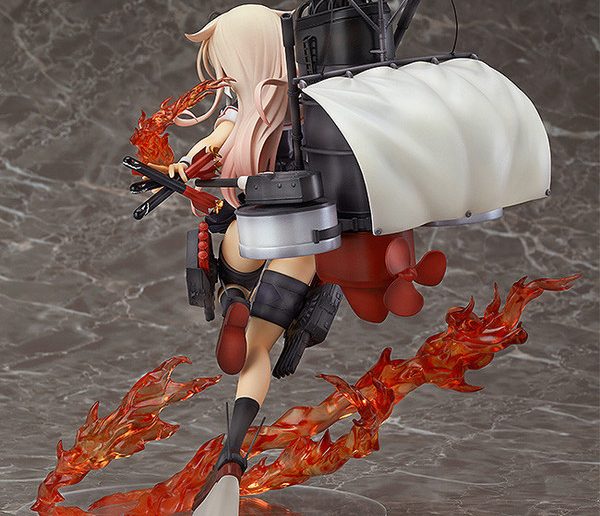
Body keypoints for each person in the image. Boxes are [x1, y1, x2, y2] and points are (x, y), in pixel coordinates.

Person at [162, 5, 314, 513]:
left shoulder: (242, 104)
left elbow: (215, 140)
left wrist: (184, 164)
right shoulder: (308, 97)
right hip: (303, 240)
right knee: (259, 346)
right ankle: (233, 450)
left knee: (232, 262)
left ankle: (232, 296)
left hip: (249, 228)